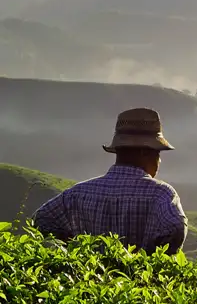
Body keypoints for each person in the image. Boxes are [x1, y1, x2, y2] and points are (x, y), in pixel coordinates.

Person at [32, 107, 188, 254]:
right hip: (140, 281)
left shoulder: (78, 193)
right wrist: (151, 259)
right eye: (157, 154)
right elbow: (175, 227)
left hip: (88, 279)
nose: (159, 162)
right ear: (145, 152)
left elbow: (41, 219)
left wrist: (72, 249)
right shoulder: (161, 194)